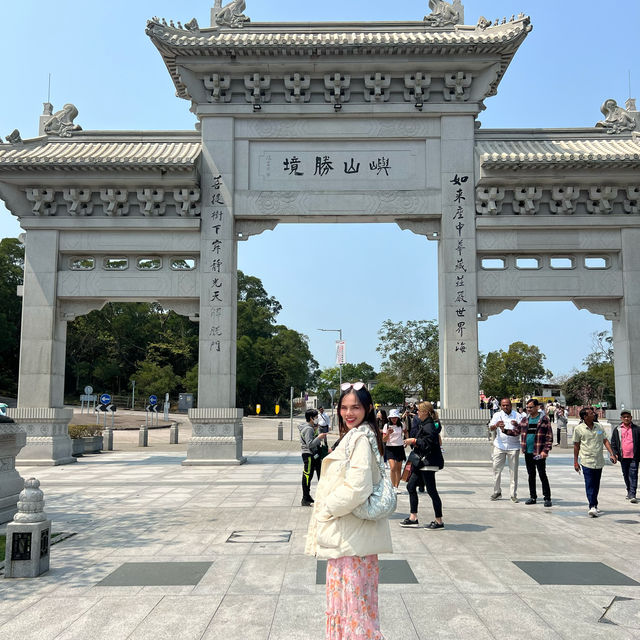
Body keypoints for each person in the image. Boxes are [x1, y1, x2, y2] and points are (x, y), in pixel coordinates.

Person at [305, 382, 392, 640]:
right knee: (352, 606)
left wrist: (328, 508)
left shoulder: (360, 439)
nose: (348, 412)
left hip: (351, 540)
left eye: (355, 407)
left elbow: (357, 487)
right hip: (351, 537)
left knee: (353, 609)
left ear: (367, 408)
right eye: (344, 407)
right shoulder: (356, 436)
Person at [400, 401, 445, 529]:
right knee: (411, 486)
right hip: (421, 462)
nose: (417, 412)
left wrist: (413, 440)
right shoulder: (424, 424)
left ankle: (439, 521)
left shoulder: (429, 425)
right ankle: (413, 517)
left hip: (428, 462)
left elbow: (428, 444)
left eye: (419, 410)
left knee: (432, 491)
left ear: (425, 412)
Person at [573, 406, 617, 517]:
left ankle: (594, 504)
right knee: (589, 483)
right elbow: (576, 446)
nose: (594, 414)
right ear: (585, 416)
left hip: (598, 460)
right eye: (591, 413)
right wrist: (575, 462)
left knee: (596, 484)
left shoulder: (599, 427)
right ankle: (592, 505)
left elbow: (605, 441)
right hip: (586, 460)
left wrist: (612, 454)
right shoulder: (579, 429)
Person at [519, 399, 553, 507]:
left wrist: (545, 451)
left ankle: (547, 498)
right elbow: (516, 431)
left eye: (531, 407)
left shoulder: (544, 419)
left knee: (542, 474)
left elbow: (549, 436)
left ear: (537, 407)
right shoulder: (525, 420)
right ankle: (532, 496)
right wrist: (504, 430)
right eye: (527, 407)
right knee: (531, 475)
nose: (529, 409)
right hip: (528, 452)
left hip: (539, 452)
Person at [488, 397, 521, 502]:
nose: (505, 407)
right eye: (503, 405)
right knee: (496, 469)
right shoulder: (497, 415)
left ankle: (513, 494)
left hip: (513, 446)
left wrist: (516, 425)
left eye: (507, 405)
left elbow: (521, 429)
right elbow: (490, 427)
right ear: (500, 406)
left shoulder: (518, 416)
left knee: (513, 471)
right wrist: (496, 425)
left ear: (511, 405)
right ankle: (497, 492)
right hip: (499, 446)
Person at [610, 410, 640, 503]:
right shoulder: (617, 429)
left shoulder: (636, 429)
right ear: (621, 418)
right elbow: (614, 442)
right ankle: (629, 490)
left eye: (628, 417)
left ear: (631, 418)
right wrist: (614, 453)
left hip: (634, 456)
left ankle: (633, 493)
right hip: (623, 457)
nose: (626, 418)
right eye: (624, 417)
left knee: (634, 474)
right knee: (626, 474)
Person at [299, 408, 326, 507]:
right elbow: (309, 444)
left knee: (316, 474)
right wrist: (319, 438)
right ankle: (305, 498)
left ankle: (309, 497)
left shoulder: (311, 428)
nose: (317, 419)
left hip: (314, 455)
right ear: (311, 418)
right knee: (307, 476)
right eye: (315, 417)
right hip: (309, 455)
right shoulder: (308, 429)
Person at [382, 408, 406, 490]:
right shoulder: (386, 426)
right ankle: (393, 486)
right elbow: (384, 439)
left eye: (395, 417)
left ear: (398, 418)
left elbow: (406, 431)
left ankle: (396, 486)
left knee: (398, 468)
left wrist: (406, 440)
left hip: (399, 447)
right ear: (389, 418)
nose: (394, 419)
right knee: (392, 468)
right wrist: (388, 433)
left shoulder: (402, 425)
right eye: (392, 418)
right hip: (390, 448)